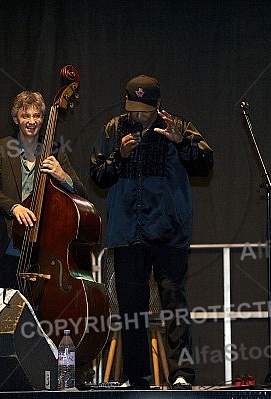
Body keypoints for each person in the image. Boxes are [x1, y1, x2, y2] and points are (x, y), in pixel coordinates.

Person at [90, 75, 213, 390]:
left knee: (174, 302)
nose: (138, 115)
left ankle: (182, 373)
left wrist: (181, 143)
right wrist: (120, 157)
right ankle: (137, 376)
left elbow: (205, 164)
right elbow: (97, 176)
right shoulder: (112, 129)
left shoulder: (179, 126)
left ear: (158, 105)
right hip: (127, 233)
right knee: (132, 307)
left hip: (169, 232)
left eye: (145, 110)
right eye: (133, 108)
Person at [0, 90, 86, 289]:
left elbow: (81, 195)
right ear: (15, 119)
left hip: (44, 248)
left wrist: (62, 175)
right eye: (25, 115)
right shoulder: (0, 149)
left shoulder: (55, 152)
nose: (31, 121)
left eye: (36, 115)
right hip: (7, 247)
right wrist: (14, 208)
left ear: (43, 118)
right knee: (7, 312)